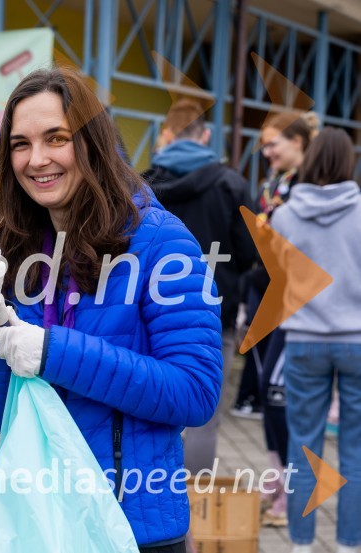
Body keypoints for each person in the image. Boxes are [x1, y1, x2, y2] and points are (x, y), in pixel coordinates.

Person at [0, 67, 222, 552]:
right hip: (44, 522)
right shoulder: (17, 248)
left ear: (92, 142)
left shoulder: (161, 242)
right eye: (20, 144)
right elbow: (2, 414)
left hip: (133, 528)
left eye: (56, 138)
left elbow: (195, 392)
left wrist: (53, 352)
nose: (36, 159)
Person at [144, 98, 257, 473]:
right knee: (204, 415)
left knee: (150, 406)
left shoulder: (142, 184)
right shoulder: (232, 184)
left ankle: (152, 487)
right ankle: (196, 497)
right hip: (214, 313)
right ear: (205, 135)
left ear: (168, 134)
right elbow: (250, 251)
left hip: (147, 310)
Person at [269, 128, 360, 553]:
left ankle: (301, 546)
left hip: (303, 338)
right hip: (357, 340)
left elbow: (278, 277)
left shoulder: (285, 216)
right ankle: (348, 546)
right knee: (355, 451)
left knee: (303, 446)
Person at [248, 111, 319, 527]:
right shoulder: (273, 184)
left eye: (273, 143)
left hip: (301, 307)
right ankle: (277, 477)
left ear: (298, 142)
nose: (267, 152)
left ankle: (294, 492)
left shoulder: (312, 186)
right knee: (265, 390)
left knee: (281, 395)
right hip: (268, 299)